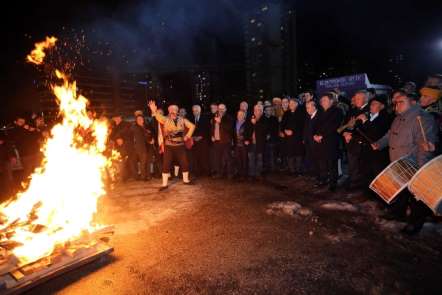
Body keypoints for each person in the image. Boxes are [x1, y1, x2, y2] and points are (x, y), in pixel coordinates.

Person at [372, 92, 439, 235]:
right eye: (396, 103)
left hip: (414, 163)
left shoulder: (423, 118)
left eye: (401, 102)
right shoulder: (398, 118)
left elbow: (424, 146)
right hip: (398, 161)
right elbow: (390, 134)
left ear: (413, 103)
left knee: (416, 196)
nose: (397, 105)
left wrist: (422, 170)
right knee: (401, 191)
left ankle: (415, 223)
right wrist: (380, 144)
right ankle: (398, 213)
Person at [148, 101, 195, 190]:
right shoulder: (165, 119)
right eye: (171, 110)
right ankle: (164, 184)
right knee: (166, 164)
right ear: (169, 111)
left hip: (180, 145)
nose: (173, 111)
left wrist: (187, 136)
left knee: (184, 162)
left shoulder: (182, 120)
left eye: (175, 109)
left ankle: (186, 180)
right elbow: (158, 117)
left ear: (177, 111)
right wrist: (154, 110)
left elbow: (192, 126)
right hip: (169, 146)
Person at [353, 95, 391, 186]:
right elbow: (359, 130)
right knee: (366, 173)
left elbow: (376, 133)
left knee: (377, 174)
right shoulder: (368, 116)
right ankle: (367, 192)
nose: (371, 106)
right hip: (365, 150)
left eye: (374, 104)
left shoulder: (385, 117)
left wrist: (365, 121)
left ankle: (377, 194)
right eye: (371, 104)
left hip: (377, 152)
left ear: (382, 106)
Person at [313, 93, 343, 191]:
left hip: (331, 142)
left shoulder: (337, 111)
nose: (322, 102)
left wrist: (322, 135)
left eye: (324, 100)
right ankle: (323, 179)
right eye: (321, 101)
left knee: (331, 164)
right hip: (319, 141)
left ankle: (333, 184)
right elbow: (315, 125)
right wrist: (315, 135)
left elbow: (333, 126)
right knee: (322, 163)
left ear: (331, 101)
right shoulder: (320, 112)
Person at [342, 90, 370, 189]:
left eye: (358, 98)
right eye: (355, 98)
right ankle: (352, 180)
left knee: (360, 165)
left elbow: (366, 129)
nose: (355, 100)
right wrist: (345, 133)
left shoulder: (369, 110)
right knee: (351, 163)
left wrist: (351, 135)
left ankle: (358, 184)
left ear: (365, 99)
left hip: (360, 143)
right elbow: (345, 124)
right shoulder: (352, 110)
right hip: (349, 142)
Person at [280, 99, 305, 176]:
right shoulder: (286, 113)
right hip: (288, 139)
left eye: (292, 103)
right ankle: (292, 171)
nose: (290, 105)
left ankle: (298, 171)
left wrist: (293, 131)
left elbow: (302, 126)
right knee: (290, 154)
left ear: (297, 104)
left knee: (298, 155)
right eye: (290, 103)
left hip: (298, 138)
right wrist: (284, 131)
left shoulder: (301, 113)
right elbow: (282, 124)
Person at [244, 104, 268, 180]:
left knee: (259, 160)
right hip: (251, 143)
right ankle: (251, 174)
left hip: (260, 144)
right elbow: (246, 131)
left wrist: (256, 123)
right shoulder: (250, 119)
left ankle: (258, 174)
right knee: (251, 159)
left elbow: (264, 130)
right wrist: (246, 139)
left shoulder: (265, 119)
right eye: (256, 110)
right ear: (254, 110)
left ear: (262, 111)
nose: (257, 111)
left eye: (259, 110)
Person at [210, 104, 233, 178]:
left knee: (227, 158)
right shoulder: (215, 117)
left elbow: (230, 129)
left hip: (226, 141)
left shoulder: (229, 118)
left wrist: (221, 122)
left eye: (222, 109)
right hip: (216, 141)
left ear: (225, 109)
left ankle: (229, 173)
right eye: (219, 109)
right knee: (217, 158)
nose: (221, 110)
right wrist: (212, 135)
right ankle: (219, 173)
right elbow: (212, 128)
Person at [110, 112, 134, 181]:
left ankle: (126, 176)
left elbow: (127, 132)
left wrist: (119, 137)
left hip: (126, 146)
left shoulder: (126, 124)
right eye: (115, 118)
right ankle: (122, 176)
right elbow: (112, 136)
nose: (116, 119)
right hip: (117, 147)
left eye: (118, 117)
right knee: (119, 162)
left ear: (120, 117)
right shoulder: (113, 126)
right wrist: (114, 139)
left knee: (125, 161)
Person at [131, 115, 154, 181]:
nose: (140, 120)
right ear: (136, 120)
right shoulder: (135, 127)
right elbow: (142, 136)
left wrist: (152, 139)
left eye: (141, 119)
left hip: (148, 147)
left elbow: (149, 135)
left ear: (143, 120)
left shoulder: (146, 127)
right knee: (143, 162)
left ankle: (148, 175)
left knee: (147, 162)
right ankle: (143, 176)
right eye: (138, 119)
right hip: (140, 147)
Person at [190, 105, 210, 177]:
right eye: (194, 111)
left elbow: (208, 129)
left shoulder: (205, 118)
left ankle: (206, 172)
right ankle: (197, 172)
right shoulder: (191, 119)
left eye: (196, 110)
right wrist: (192, 137)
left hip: (203, 141)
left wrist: (201, 136)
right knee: (196, 157)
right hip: (194, 141)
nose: (195, 112)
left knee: (204, 157)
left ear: (200, 111)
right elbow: (190, 129)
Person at [303, 100, 321, 181]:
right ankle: (314, 174)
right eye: (306, 108)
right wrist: (304, 139)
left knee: (318, 161)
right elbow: (305, 129)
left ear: (314, 107)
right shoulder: (307, 116)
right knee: (312, 160)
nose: (307, 110)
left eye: (308, 108)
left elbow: (321, 129)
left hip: (317, 144)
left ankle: (320, 177)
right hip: (309, 143)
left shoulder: (319, 115)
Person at [263, 105, 279, 173]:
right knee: (265, 154)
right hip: (264, 140)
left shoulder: (274, 119)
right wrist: (265, 135)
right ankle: (266, 168)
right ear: (264, 111)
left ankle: (273, 169)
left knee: (272, 154)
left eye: (270, 110)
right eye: (267, 110)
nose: (269, 111)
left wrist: (270, 135)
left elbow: (276, 129)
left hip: (273, 140)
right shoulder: (262, 119)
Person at [233, 110, 248, 179]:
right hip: (236, 145)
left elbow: (249, 133)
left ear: (244, 116)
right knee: (237, 159)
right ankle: (239, 173)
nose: (239, 116)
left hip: (244, 145)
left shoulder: (247, 123)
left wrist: (247, 139)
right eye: (238, 115)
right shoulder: (235, 123)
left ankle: (244, 174)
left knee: (244, 160)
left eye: (241, 115)